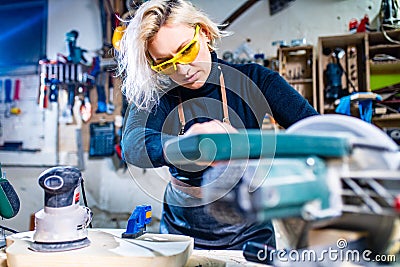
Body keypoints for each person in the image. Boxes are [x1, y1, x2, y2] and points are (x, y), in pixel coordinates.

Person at [116, 0, 318, 250]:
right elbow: (132, 145)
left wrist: (246, 147)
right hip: (180, 232)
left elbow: (315, 133)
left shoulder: (256, 80)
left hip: (249, 232)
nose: (182, 69)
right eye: (165, 63)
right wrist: (184, 146)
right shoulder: (158, 93)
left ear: (204, 33)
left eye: (186, 51)